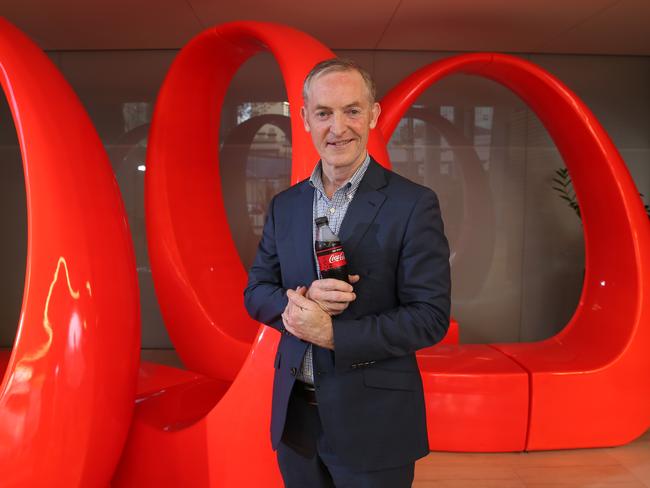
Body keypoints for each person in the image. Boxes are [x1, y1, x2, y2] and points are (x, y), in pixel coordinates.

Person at [244, 58, 451, 488]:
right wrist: (297, 303)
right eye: (324, 113)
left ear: (373, 114)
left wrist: (333, 334)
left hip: (374, 424)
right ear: (304, 119)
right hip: (296, 419)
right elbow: (257, 291)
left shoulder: (413, 204)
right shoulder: (286, 206)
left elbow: (430, 317)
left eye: (352, 110)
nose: (338, 127)